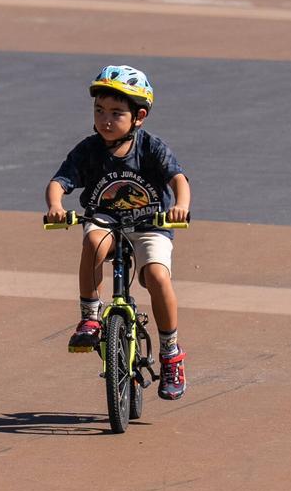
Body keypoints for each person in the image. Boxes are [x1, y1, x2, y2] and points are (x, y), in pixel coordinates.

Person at [44, 65, 192, 401]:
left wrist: (180, 205)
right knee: (93, 242)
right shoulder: (89, 149)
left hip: (150, 223)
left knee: (156, 275)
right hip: (105, 220)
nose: (105, 120)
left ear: (139, 116)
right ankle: (90, 318)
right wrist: (55, 205)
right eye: (99, 111)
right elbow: (59, 182)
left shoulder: (151, 148)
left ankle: (171, 352)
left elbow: (178, 179)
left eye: (116, 113)